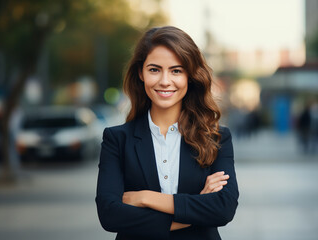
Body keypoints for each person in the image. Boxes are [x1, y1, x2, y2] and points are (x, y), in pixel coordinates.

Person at [96, 26, 239, 240]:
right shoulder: (117, 139)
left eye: (176, 70)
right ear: (140, 73)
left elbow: (223, 208)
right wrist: (196, 208)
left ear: (190, 76)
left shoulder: (216, 138)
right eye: (154, 69)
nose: (164, 81)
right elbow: (110, 215)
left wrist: (146, 198)